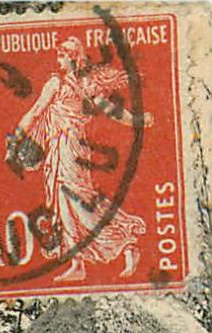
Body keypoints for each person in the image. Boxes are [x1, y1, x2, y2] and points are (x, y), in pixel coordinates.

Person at [8, 37, 152, 283]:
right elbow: (110, 110)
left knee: (74, 202)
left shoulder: (60, 83)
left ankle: (123, 244)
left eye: (62, 55)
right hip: (62, 149)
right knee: (68, 203)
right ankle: (82, 262)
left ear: (72, 57)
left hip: (69, 148)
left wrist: (137, 121)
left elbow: (35, 112)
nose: (59, 59)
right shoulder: (76, 83)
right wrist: (137, 120)